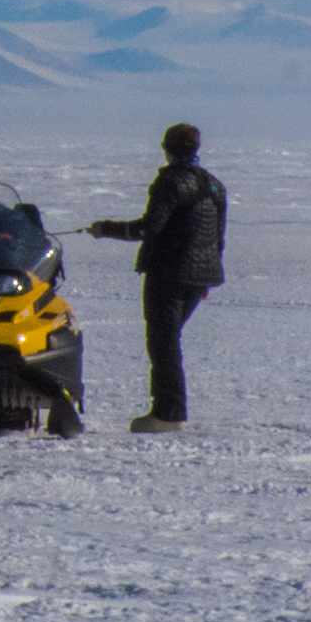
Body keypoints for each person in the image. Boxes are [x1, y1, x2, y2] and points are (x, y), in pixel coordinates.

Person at [88, 122, 229, 432]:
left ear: (166, 149)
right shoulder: (215, 185)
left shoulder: (170, 182)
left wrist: (106, 229)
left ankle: (168, 413)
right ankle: (168, 410)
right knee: (168, 342)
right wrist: (205, 279)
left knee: (163, 343)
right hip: (200, 276)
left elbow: (148, 227)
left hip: (169, 273)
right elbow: (218, 238)